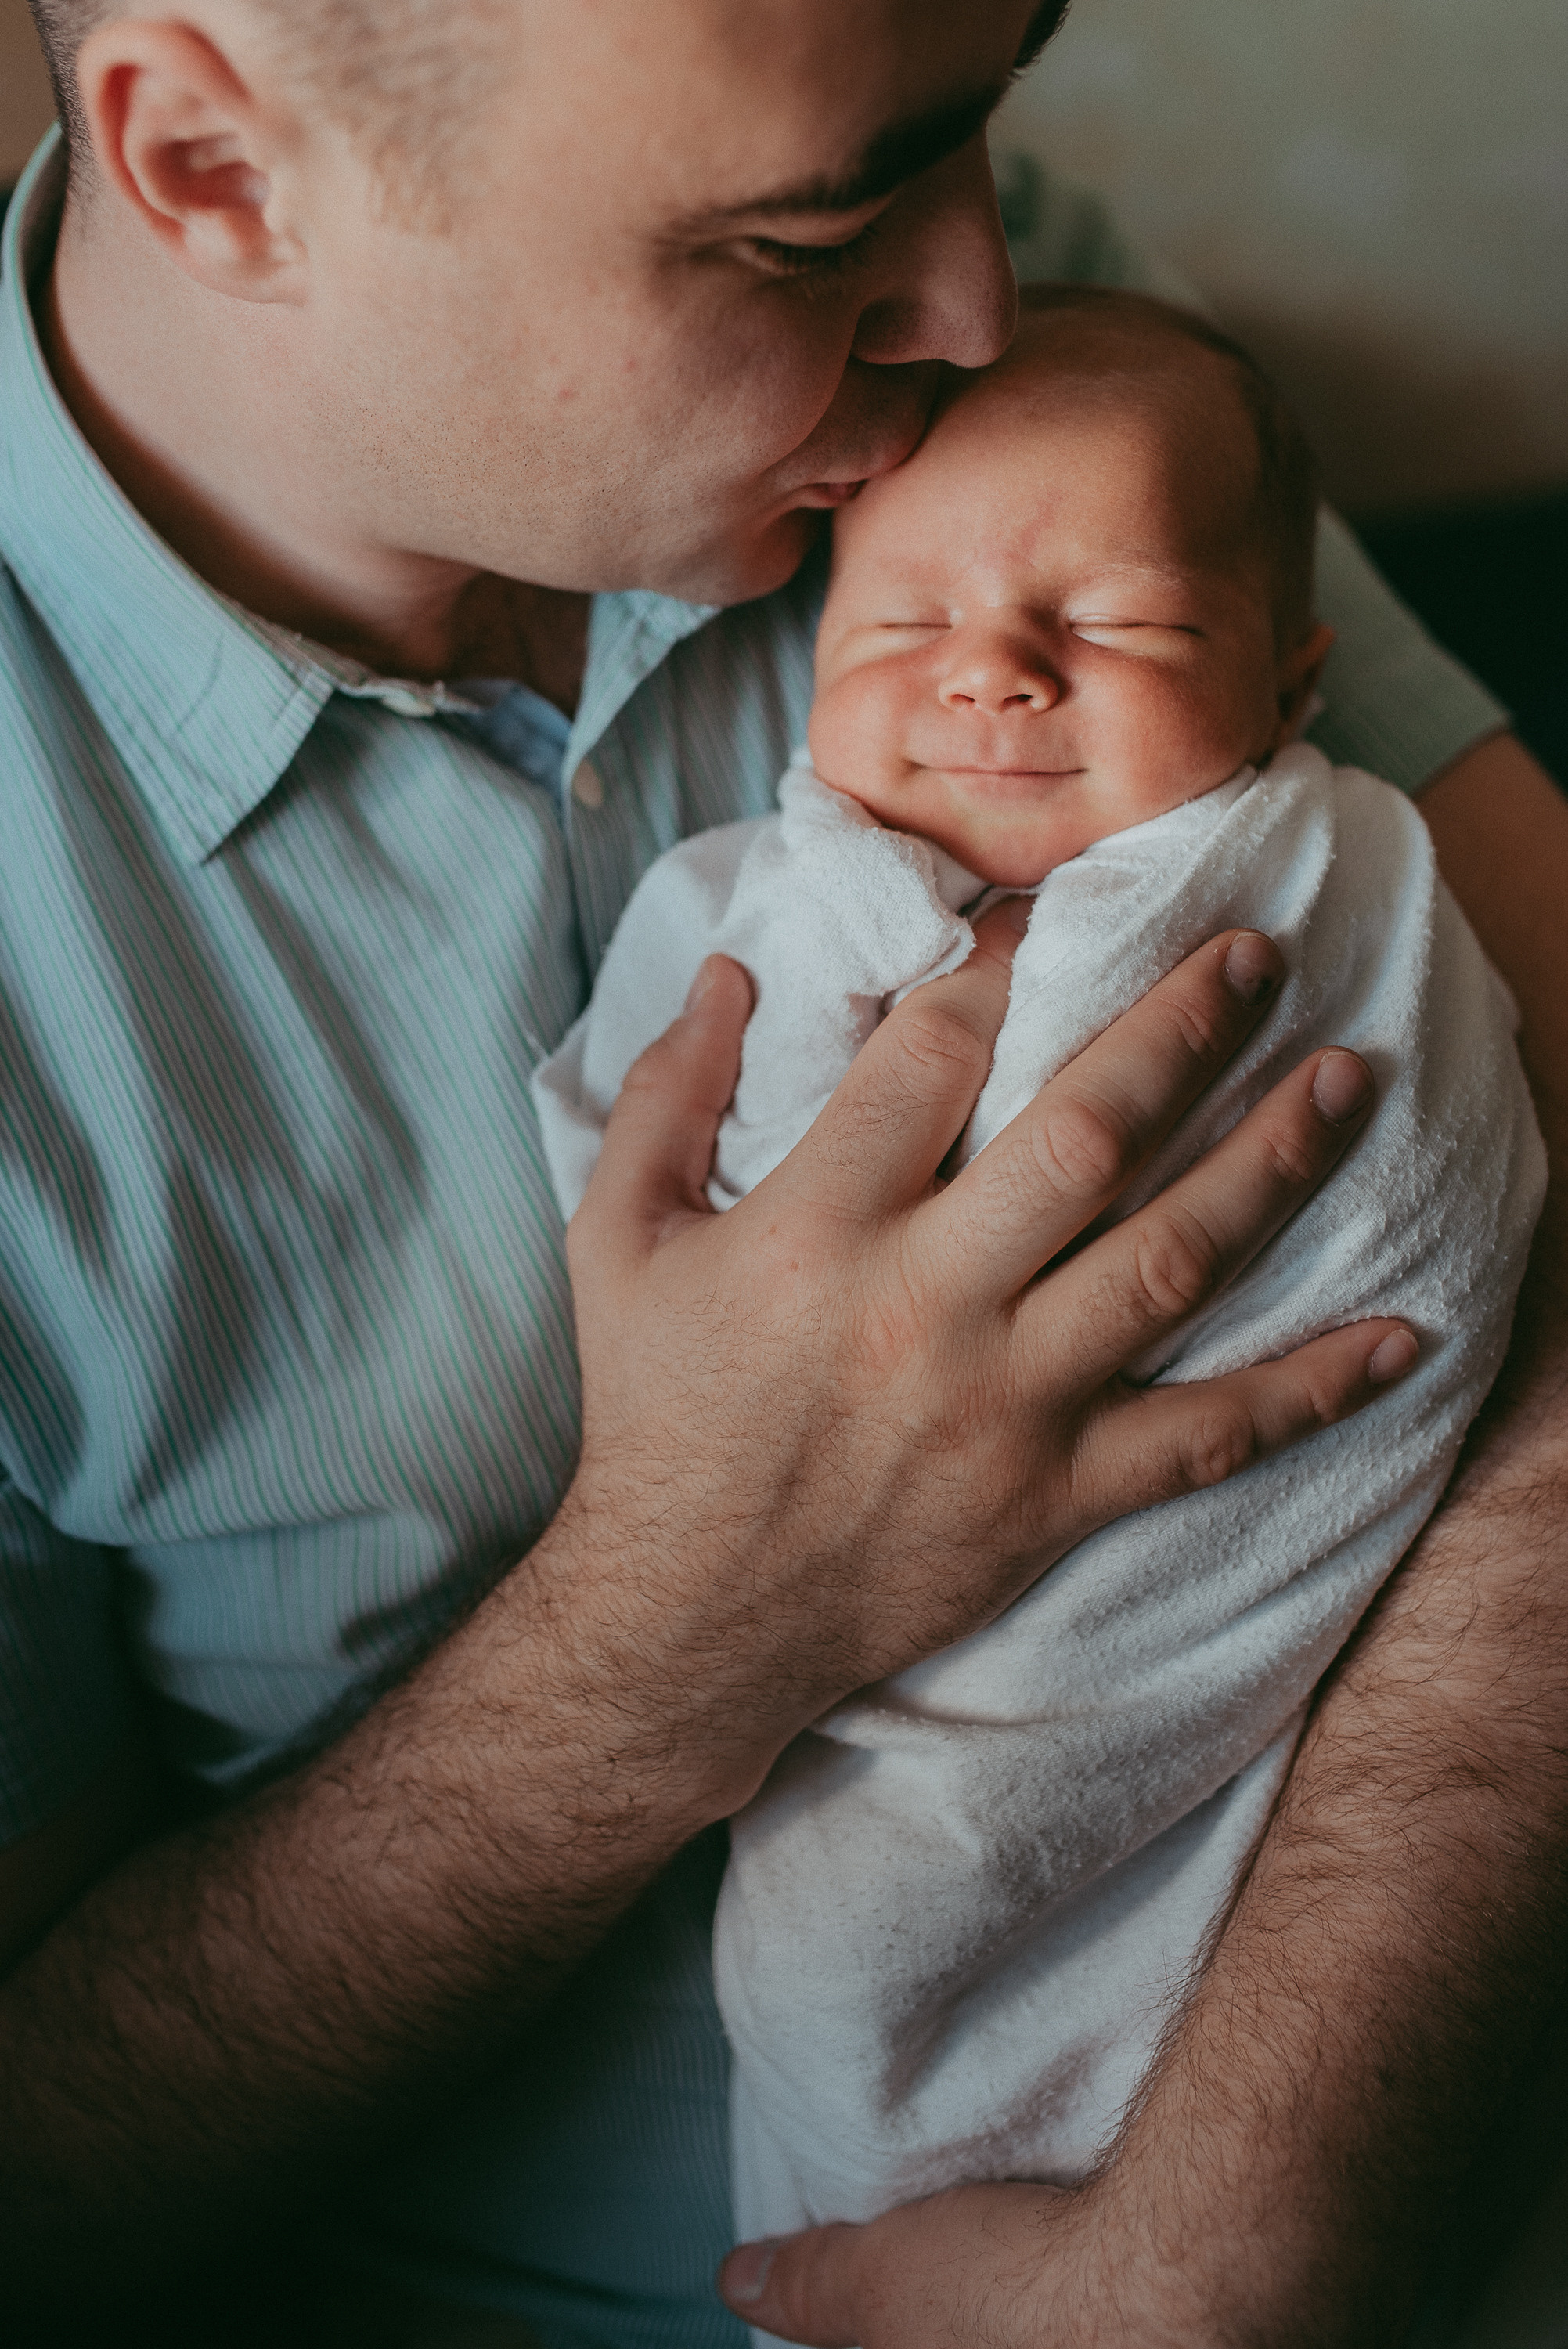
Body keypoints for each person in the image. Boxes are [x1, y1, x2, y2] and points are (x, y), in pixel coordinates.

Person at [0, 2, 1562, 2345]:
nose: (967, 308)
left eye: (985, 129)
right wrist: (671, 1637)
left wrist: (1256, 2222)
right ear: (215, 167)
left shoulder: (1024, 340)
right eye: (803, 234)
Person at [530, 286, 1544, 2279]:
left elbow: (1461, 1153)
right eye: (901, 627)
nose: (991, 677)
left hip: (1282, 1639)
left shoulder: (1336, 875)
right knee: (860, 1944)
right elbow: (630, 1146)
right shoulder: (758, 897)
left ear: (1295, 678)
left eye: (1123, 629)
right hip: (926, 1729)